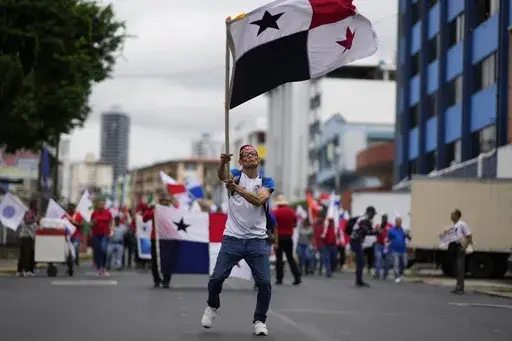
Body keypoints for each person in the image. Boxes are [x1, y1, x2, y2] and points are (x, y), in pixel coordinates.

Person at [201, 145, 275, 336]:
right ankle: (212, 306)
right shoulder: (235, 174)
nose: (250, 157)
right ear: (240, 161)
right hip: (232, 238)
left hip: (257, 240)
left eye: (253, 154)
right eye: (245, 155)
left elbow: (259, 200)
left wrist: (237, 189)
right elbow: (223, 176)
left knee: (265, 283)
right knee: (217, 277)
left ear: (258, 159)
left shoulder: (266, 180)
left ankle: (260, 320)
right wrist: (223, 163)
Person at [142, 190, 178, 288]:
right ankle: (157, 279)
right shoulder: (155, 210)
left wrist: (175, 204)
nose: (164, 202)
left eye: (166, 200)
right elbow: (144, 219)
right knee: (155, 260)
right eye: (162, 200)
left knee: (168, 260)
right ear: (159, 201)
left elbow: (181, 216)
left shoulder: (172, 210)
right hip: (156, 238)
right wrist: (151, 209)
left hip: (168, 239)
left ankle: (166, 280)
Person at [441, 209, 472, 294]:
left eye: (452, 214)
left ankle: (460, 288)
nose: (451, 216)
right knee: (455, 267)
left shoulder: (462, 224)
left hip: (459, 246)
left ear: (457, 215)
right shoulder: (453, 225)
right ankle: (457, 286)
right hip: (453, 246)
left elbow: (469, 236)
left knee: (460, 267)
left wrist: (464, 247)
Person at [272, 194, 301, 285]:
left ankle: (279, 279)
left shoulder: (275, 212)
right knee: (290, 258)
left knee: (279, 259)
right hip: (289, 238)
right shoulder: (292, 212)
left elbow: (273, 226)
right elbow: (295, 224)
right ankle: (297, 277)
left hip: (279, 238)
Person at [350, 206, 377, 287]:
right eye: (373, 214)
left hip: (356, 241)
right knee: (361, 261)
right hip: (356, 241)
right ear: (370, 212)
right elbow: (366, 230)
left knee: (360, 262)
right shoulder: (365, 219)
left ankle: (359, 280)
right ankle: (358, 281)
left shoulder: (363, 218)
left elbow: (367, 231)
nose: (373, 216)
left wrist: (375, 232)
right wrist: (375, 232)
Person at [90, 199, 114, 276]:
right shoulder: (94, 213)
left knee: (103, 249)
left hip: (105, 234)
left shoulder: (108, 213)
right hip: (96, 234)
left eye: (102, 204)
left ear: (104, 205)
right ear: (98, 205)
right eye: (100, 204)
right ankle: (98, 268)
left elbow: (111, 222)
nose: (101, 205)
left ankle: (104, 268)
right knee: (97, 251)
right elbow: (91, 223)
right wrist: (93, 222)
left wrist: (112, 231)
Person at [17, 199, 38, 277]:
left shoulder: (33, 213)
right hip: (26, 236)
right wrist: (34, 220)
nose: (36, 206)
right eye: (35, 205)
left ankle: (27, 270)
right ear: (32, 205)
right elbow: (26, 221)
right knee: (26, 254)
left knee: (29, 254)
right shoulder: (29, 212)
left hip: (30, 236)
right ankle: (24, 270)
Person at [387, 217, 409, 283]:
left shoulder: (402, 230)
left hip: (403, 250)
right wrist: (387, 243)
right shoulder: (391, 230)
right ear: (395, 222)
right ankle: (397, 276)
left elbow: (408, 237)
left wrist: (407, 235)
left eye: (400, 222)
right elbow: (387, 238)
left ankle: (400, 273)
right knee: (396, 264)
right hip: (394, 250)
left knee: (404, 264)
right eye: (398, 222)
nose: (399, 223)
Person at [374, 214, 391, 279]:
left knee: (387, 260)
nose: (384, 219)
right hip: (378, 245)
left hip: (386, 245)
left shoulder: (390, 225)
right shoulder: (379, 225)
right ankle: (377, 273)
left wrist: (389, 230)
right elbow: (374, 232)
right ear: (382, 218)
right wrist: (378, 230)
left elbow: (393, 233)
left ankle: (385, 274)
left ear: (387, 218)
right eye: (383, 218)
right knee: (378, 258)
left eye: (385, 218)